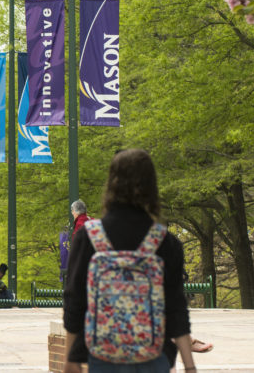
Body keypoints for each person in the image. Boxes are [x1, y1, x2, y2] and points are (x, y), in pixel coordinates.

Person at [63, 148, 195, 373]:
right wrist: (189, 366)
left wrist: (70, 359)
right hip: (154, 355)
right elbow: (175, 308)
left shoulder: (89, 237)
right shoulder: (165, 242)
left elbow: (75, 301)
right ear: (151, 186)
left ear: (111, 184)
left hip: (103, 356)